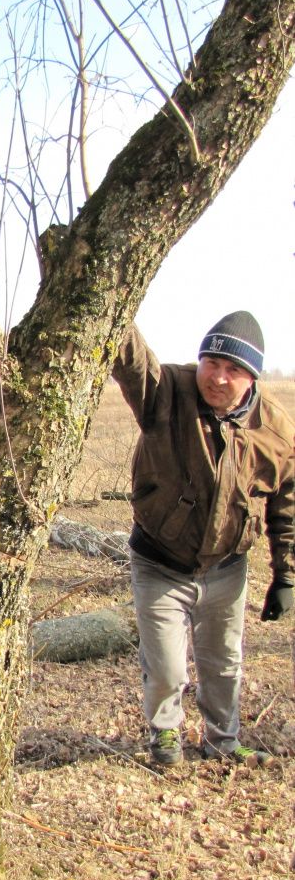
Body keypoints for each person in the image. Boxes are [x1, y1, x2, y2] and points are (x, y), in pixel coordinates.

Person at [112, 312, 294, 767]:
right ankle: (164, 734)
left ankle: (223, 740)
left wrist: (286, 575)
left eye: (232, 370)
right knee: (167, 667)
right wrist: (111, 291)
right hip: (159, 561)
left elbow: (287, 509)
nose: (217, 377)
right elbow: (131, 359)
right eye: (210, 362)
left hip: (227, 568)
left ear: (251, 377)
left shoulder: (278, 432)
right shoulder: (166, 391)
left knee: (224, 664)